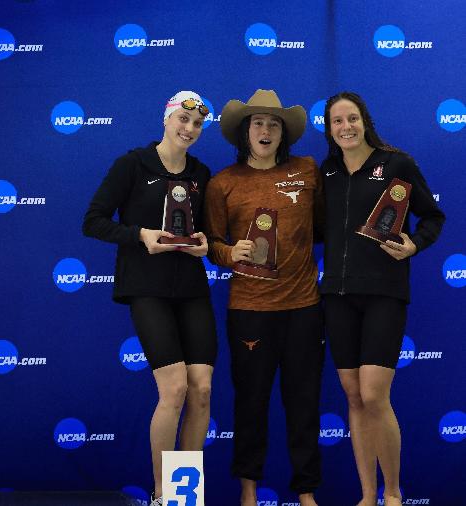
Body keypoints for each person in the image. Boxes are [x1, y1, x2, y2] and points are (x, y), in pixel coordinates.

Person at [83, 91, 215, 506]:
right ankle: (164, 497)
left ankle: (184, 497)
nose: (189, 129)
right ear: (167, 118)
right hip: (146, 287)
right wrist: (140, 236)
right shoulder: (133, 164)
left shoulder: (201, 173)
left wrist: (204, 245)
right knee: (174, 389)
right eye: (183, 120)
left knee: (202, 390)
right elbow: (94, 221)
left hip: (191, 289)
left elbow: (207, 231)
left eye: (196, 125)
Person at [320, 92, 444, 506]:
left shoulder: (397, 165)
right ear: (329, 128)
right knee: (354, 396)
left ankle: (393, 494)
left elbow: (433, 216)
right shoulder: (328, 171)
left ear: (364, 120)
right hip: (336, 295)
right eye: (336, 121)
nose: (345, 127)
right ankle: (367, 496)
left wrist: (414, 245)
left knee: (374, 395)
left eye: (351, 118)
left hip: (384, 294)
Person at [203, 89, 324, 506]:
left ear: (283, 132)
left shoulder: (308, 170)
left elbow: (323, 227)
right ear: (244, 131)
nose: (266, 130)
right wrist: (227, 252)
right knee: (251, 403)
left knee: (304, 403)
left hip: (304, 308)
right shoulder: (223, 183)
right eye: (258, 123)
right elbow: (212, 243)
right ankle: (248, 491)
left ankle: (306, 493)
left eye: (274, 124)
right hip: (249, 310)